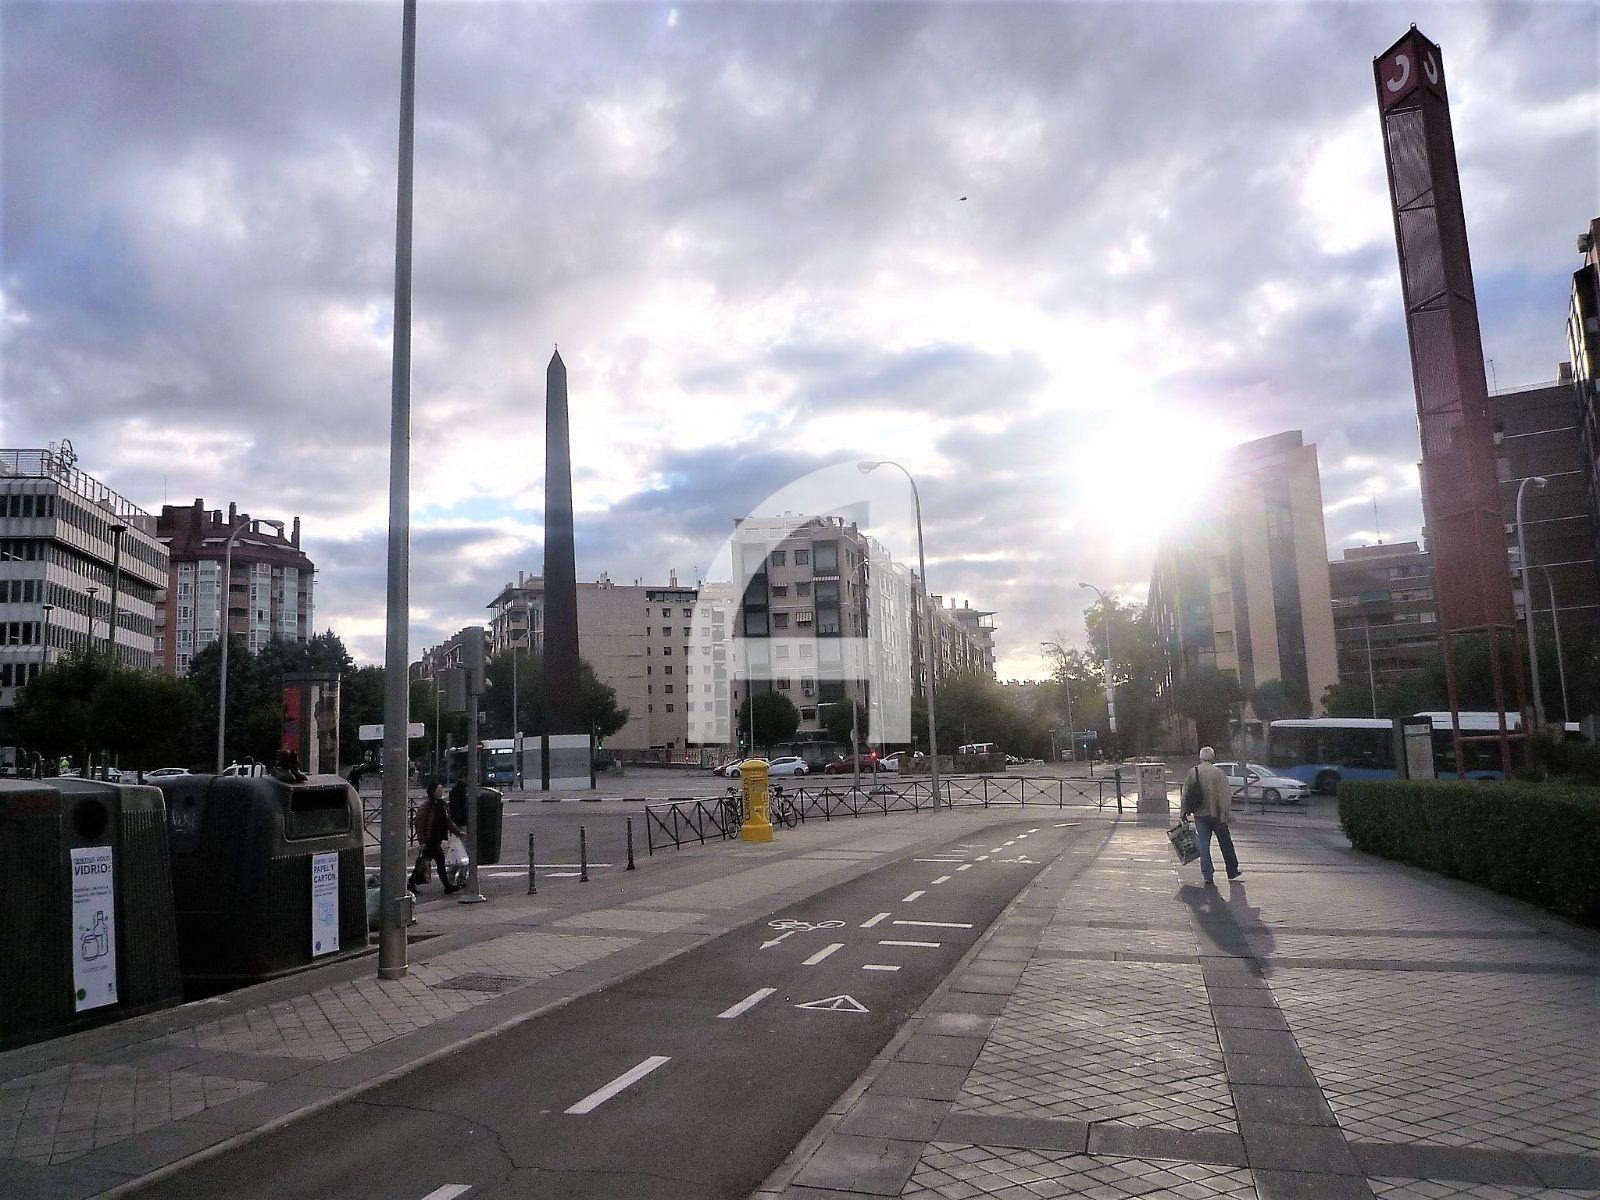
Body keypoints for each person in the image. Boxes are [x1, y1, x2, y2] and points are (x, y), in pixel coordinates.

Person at [1185, 747, 1242, 885]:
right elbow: (1225, 795)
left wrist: (1183, 812)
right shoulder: (1218, 773)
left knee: (1204, 845)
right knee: (1225, 843)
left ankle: (1207, 874)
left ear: (1200, 757)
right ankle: (1232, 871)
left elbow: (1186, 793)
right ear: (1213, 757)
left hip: (1199, 814)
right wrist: (1226, 813)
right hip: (1217, 814)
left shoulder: (1193, 772)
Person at [409, 783, 463, 895]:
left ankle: (411, 882)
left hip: (436, 838)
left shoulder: (441, 804)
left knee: (423, 862)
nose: (441, 792)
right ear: (433, 792)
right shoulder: (427, 806)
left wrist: (457, 832)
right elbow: (419, 823)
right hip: (430, 840)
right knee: (439, 862)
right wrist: (422, 841)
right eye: (439, 790)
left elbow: (447, 821)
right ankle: (447, 886)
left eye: (441, 790)